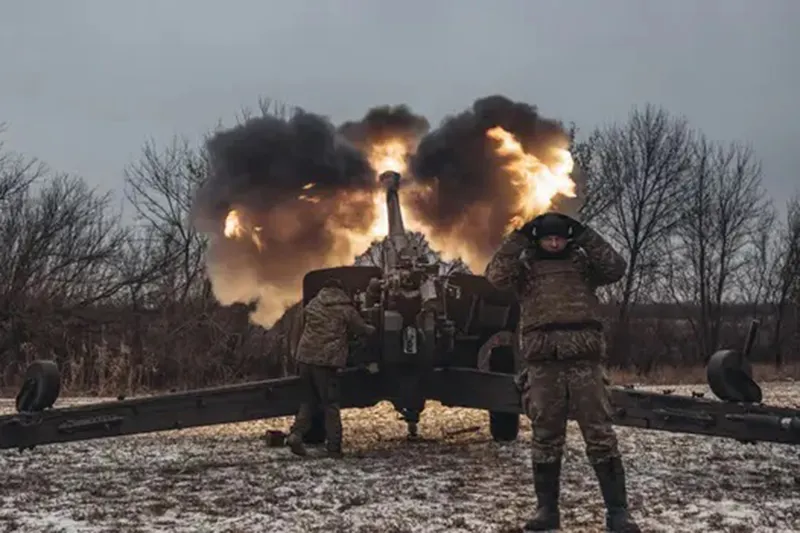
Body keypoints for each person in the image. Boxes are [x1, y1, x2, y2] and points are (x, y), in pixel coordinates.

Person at [485, 212, 640, 533]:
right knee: (545, 436)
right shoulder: (524, 270)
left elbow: (616, 267)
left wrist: (584, 234)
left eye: (560, 238)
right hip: (544, 363)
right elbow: (495, 276)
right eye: (547, 238)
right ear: (538, 239)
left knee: (599, 435)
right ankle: (547, 511)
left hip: (584, 362)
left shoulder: (583, 266)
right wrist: (519, 237)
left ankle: (617, 512)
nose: (554, 243)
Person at [286, 278, 376, 458]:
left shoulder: (313, 304)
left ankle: (296, 435)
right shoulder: (345, 309)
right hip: (326, 363)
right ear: (341, 291)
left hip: (305, 360)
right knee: (330, 405)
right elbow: (360, 329)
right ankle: (334, 449)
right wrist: (373, 330)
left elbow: (300, 327)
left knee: (309, 401)